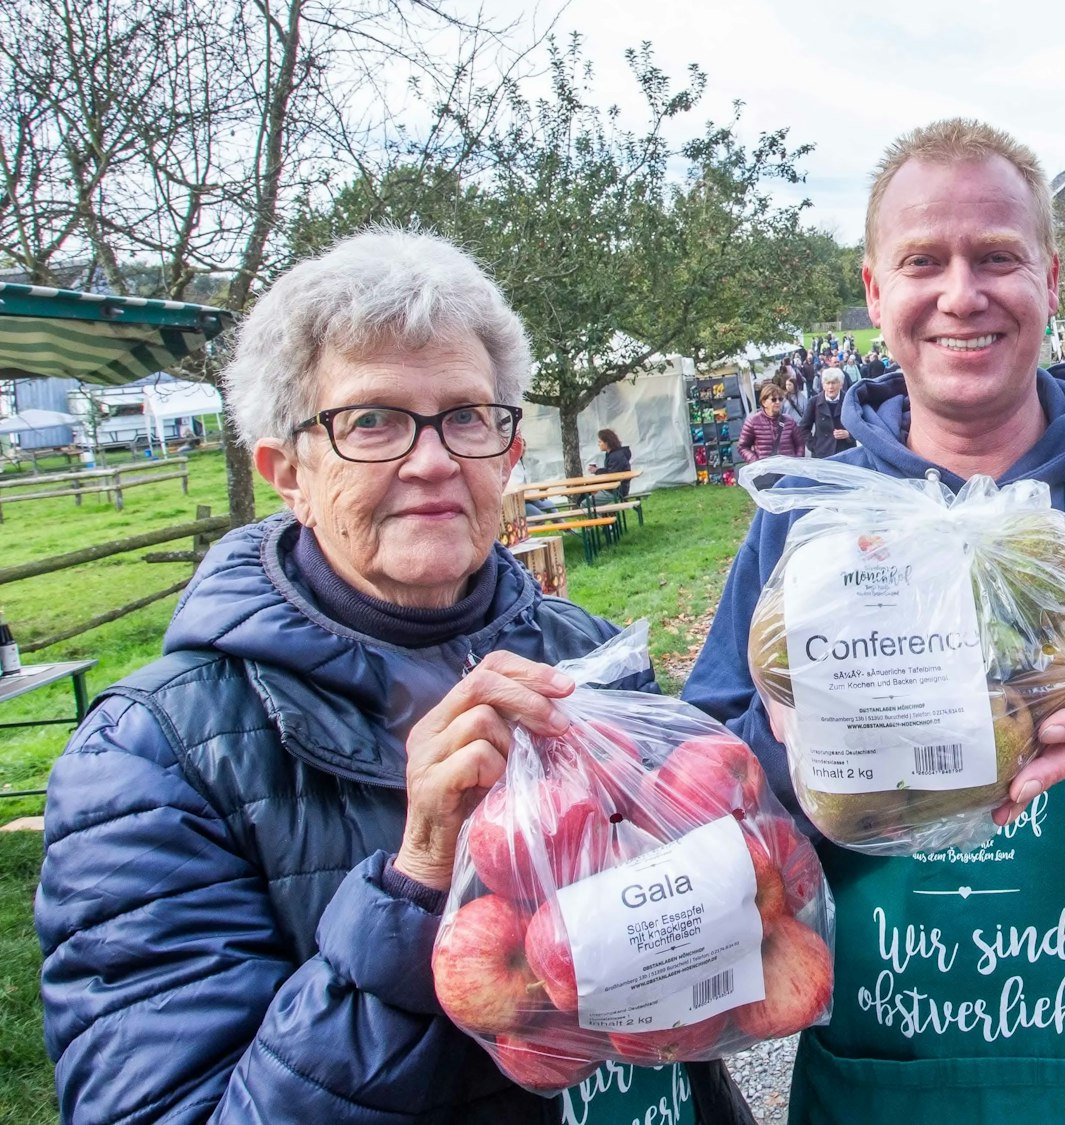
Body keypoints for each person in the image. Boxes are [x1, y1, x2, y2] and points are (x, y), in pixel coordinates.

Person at [34, 230, 751, 1124]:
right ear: (286, 472)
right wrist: (415, 887)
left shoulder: (595, 661)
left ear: (507, 448)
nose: (433, 459)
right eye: (371, 420)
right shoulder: (155, 756)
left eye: (465, 414)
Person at [684, 117, 1065, 1124]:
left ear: (1049, 278)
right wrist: (787, 753)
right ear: (875, 291)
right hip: (888, 1083)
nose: (962, 294)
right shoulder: (806, 523)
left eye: (996, 256)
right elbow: (698, 825)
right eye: (924, 260)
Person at [738, 381, 804, 462]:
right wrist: (755, 462)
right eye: (773, 399)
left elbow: (800, 444)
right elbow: (742, 446)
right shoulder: (753, 421)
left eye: (780, 399)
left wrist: (797, 462)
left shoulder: (789, 421)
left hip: (788, 470)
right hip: (765, 471)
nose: (778, 402)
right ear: (764, 402)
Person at [802, 368, 854, 457]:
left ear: (841, 384)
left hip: (846, 453)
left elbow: (860, 426)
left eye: (834, 383)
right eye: (827, 383)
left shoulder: (850, 401)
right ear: (823, 385)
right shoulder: (814, 402)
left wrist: (849, 434)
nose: (830, 387)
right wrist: (814, 445)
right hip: (822, 454)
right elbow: (803, 428)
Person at [587, 426, 634, 497]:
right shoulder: (613, 454)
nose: (598, 444)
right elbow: (611, 471)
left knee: (584, 504)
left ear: (607, 443)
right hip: (613, 489)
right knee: (588, 491)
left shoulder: (616, 456)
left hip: (616, 491)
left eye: (600, 442)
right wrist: (597, 470)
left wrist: (597, 471)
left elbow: (612, 475)